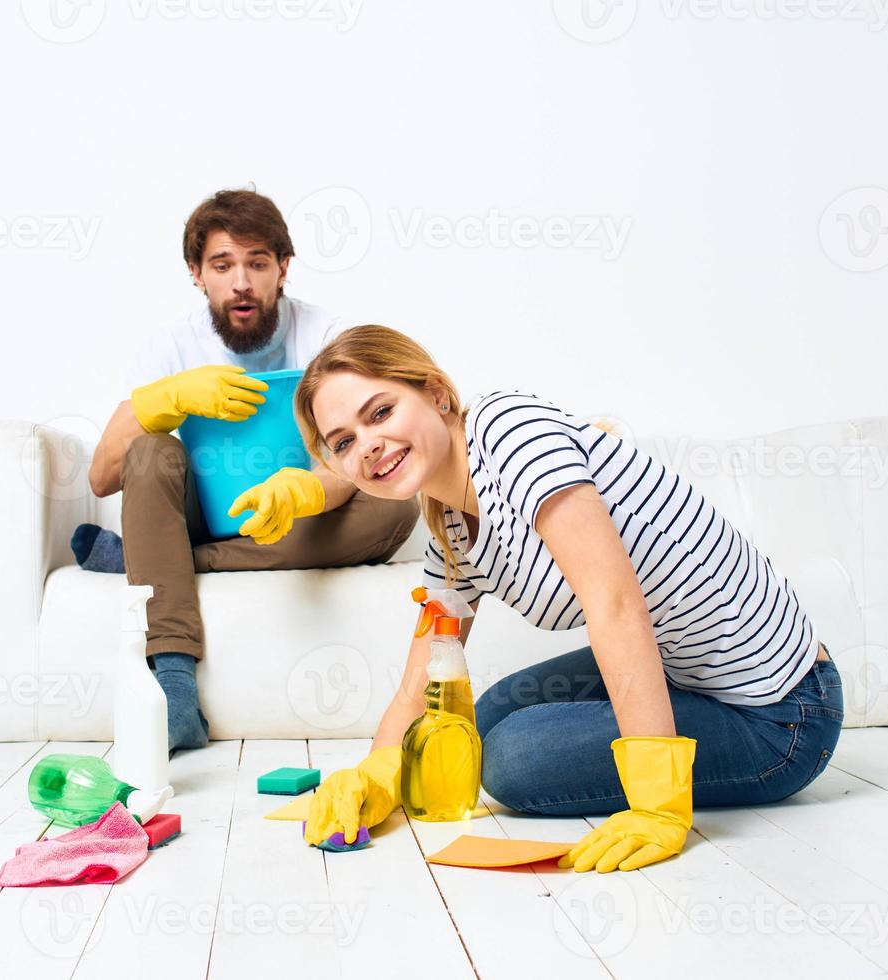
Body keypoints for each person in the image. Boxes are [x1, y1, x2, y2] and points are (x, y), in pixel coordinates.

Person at [291, 325, 843, 873]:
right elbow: (428, 672)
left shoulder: (509, 430)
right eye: (343, 442)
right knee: (477, 725)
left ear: (437, 394)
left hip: (782, 713)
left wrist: (656, 802)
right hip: (686, 674)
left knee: (510, 760)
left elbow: (614, 603)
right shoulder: (450, 528)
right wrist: (379, 769)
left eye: (380, 413)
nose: (368, 445)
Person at [87, 192, 420, 753]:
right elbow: (102, 476)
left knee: (395, 502)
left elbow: (362, 458)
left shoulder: (328, 337)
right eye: (222, 265)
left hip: (297, 521)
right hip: (196, 514)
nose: (241, 281)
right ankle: (174, 689)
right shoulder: (171, 346)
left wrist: (308, 487)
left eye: (258, 263)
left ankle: (144, 559)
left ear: (282, 268)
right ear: (197, 274)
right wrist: (163, 399)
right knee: (148, 452)